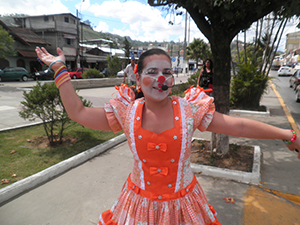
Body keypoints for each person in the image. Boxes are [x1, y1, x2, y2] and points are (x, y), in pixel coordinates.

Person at [35, 46, 300, 225]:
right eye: (152, 72)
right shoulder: (126, 112)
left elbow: (239, 127)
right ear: (138, 80)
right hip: (138, 206)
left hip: (184, 207)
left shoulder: (189, 110)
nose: (161, 79)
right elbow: (78, 112)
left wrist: (286, 135)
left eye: (167, 72)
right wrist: (60, 69)